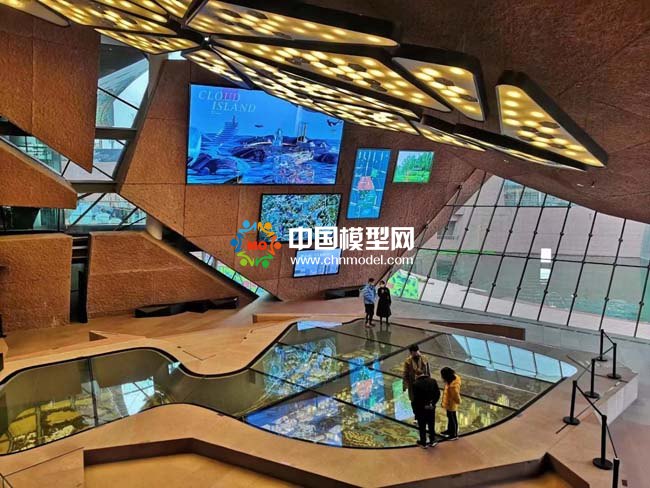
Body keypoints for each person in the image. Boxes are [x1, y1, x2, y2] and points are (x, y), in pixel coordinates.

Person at [412, 372, 440, 448]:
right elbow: (437, 394)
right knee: (431, 424)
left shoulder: (415, 384)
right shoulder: (433, 381)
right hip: (431, 407)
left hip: (421, 408)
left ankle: (423, 442)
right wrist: (432, 403)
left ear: (416, 375)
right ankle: (432, 440)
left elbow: (416, 399)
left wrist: (415, 410)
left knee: (422, 426)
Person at [440, 367, 462, 440]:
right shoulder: (453, 379)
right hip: (450, 403)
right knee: (450, 417)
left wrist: (458, 401)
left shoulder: (453, 386)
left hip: (451, 404)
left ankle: (454, 434)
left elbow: (456, 396)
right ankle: (450, 430)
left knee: (452, 418)